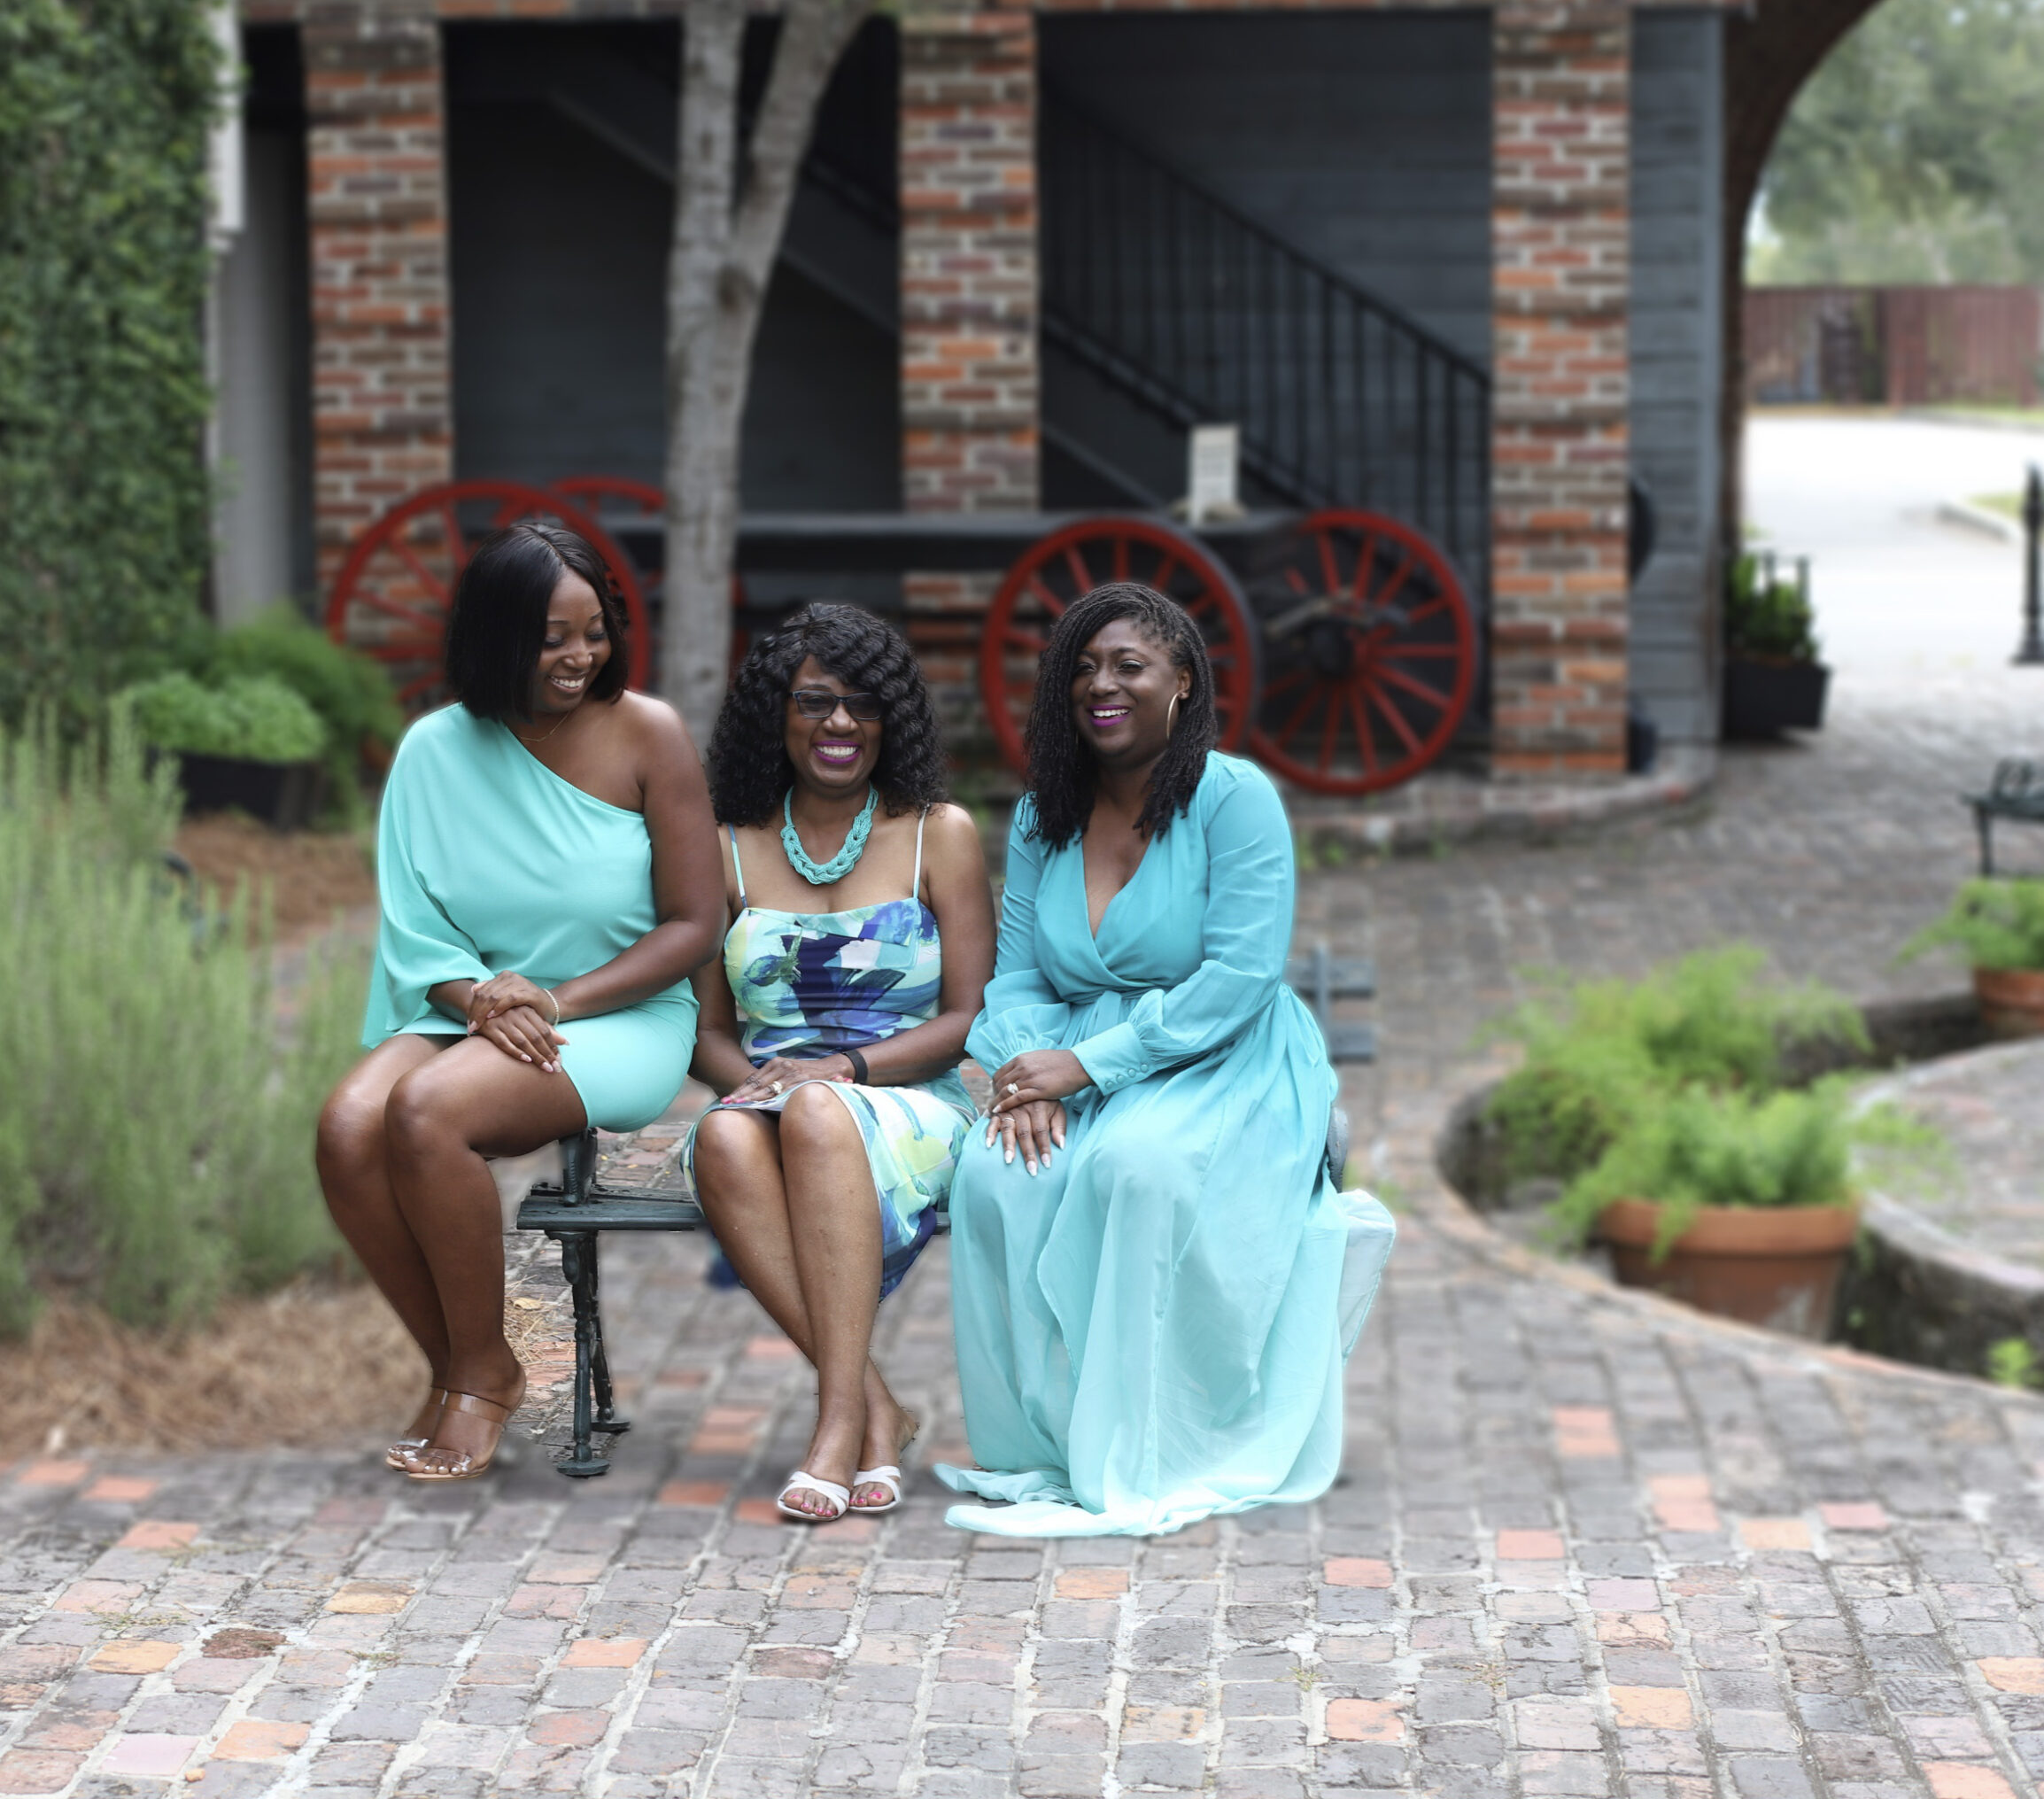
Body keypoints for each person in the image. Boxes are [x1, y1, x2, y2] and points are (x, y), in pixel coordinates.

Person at [938, 582, 1393, 1538]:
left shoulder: (1235, 799)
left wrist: (1089, 1065)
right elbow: (1016, 975)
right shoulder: (1041, 815)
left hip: (1222, 1055)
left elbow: (1237, 977)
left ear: (1182, 682)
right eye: (1083, 669)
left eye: (1128, 666)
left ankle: (1149, 1444)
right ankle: (1042, 1445)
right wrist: (1027, 1071)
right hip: (1070, 1061)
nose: (1101, 685)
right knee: (991, 1172)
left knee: (1131, 1169)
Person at [316, 522, 722, 1483]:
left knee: (427, 1111)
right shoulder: (433, 751)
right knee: (346, 1126)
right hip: (468, 1006)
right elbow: (416, 928)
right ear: (496, 637)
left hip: (621, 1012)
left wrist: (557, 998)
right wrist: (482, 999)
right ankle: (471, 1361)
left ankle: (478, 1382)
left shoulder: (647, 736)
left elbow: (692, 923)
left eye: (593, 631)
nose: (579, 657)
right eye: (550, 637)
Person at [684, 605, 995, 1522]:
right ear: (772, 716)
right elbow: (703, 1027)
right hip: (774, 1101)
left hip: (906, 1096)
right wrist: (750, 1083)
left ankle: (833, 1422)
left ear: (892, 715)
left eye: (864, 703)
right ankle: (876, 1407)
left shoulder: (938, 832)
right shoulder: (724, 844)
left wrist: (844, 1070)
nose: (840, 724)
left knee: (817, 1111)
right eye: (814, 702)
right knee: (721, 1142)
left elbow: (969, 1015)